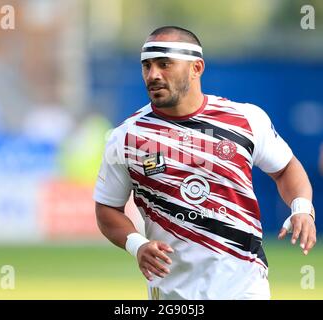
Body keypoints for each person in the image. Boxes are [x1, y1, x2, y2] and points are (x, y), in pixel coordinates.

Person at [93, 26, 316, 300]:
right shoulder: (127, 137)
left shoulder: (246, 119)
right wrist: (136, 244)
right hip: (173, 295)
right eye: (147, 66)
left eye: (164, 64)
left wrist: (302, 208)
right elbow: (106, 208)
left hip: (245, 290)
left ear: (196, 68)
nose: (153, 75)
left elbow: (286, 169)